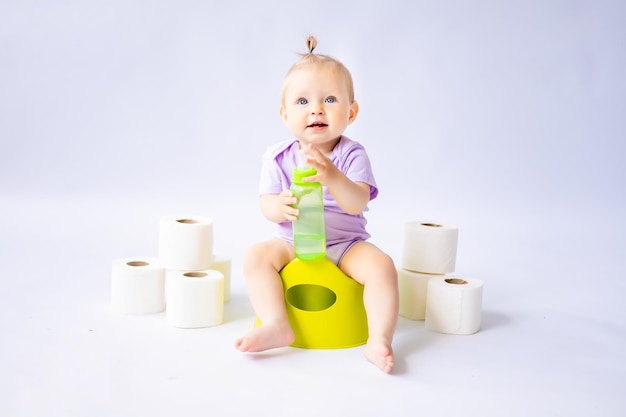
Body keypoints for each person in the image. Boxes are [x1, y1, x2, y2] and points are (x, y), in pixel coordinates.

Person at [234, 36, 398, 373]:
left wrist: (334, 177)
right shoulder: (278, 156)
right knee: (255, 257)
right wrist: (280, 206)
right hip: (292, 242)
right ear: (285, 113)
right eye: (303, 100)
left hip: (344, 245)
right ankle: (277, 323)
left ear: (351, 112)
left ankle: (378, 338)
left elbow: (357, 203)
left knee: (382, 267)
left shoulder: (351, 154)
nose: (316, 109)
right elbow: (266, 205)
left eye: (330, 99)